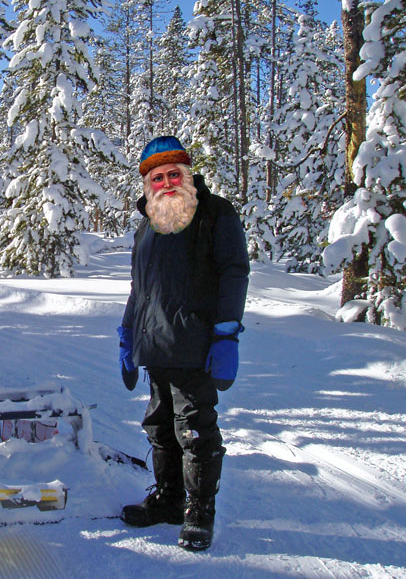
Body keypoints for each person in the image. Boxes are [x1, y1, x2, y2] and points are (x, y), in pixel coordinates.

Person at [118, 135, 249, 551]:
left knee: (194, 430)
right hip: (154, 344)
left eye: (174, 173)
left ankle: (199, 511)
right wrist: (126, 334)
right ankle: (169, 499)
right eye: (158, 176)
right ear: (147, 184)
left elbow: (234, 272)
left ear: (188, 175)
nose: (167, 182)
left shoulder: (214, 213)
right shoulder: (147, 225)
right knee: (159, 428)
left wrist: (227, 332)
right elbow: (140, 290)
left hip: (196, 345)